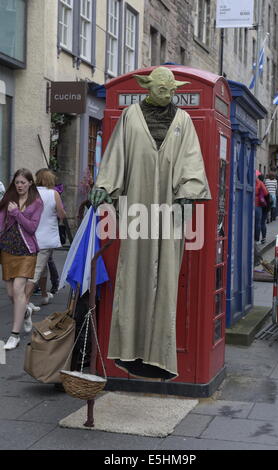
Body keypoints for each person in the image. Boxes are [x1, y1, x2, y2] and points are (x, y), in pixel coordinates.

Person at [89, 66, 211, 380]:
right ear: (148, 87)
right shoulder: (130, 117)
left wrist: (189, 192)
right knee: (132, 280)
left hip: (171, 215)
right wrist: (105, 187)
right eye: (161, 88)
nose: (167, 93)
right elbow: (116, 156)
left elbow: (192, 163)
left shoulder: (183, 121)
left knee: (167, 283)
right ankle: (128, 354)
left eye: (171, 89)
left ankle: (160, 359)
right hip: (135, 214)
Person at [0, 169, 43, 350]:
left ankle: (14, 335)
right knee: (11, 294)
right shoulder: (8, 199)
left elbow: (32, 228)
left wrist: (17, 212)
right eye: (17, 182)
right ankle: (25, 311)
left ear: (30, 183)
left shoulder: (36, 202)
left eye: (23, 183)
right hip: (8, 249)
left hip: (26, 251)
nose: (19, 186)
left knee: (19, 289)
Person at [25, 168, 66, 315]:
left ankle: (43, 295)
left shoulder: (31, 193)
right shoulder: (53, 193)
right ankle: (24, 303)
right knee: (36, 271)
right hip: (46, 238)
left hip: (31, 236)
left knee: (42, 268)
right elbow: (61, 214)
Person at [255, 173, 269, 244]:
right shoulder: (260, 183)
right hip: (259, 205)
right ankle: (258, 239)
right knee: (259, 223)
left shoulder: (249, 181)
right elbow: (266, 193)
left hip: (248, 205)